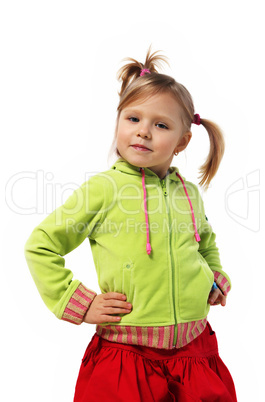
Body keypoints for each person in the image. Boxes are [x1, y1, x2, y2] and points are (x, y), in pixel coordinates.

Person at [24, 46, 237, 401]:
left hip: (194, 350)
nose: (143, 132)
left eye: (161, 125)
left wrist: (214, 275)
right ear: (118, 121)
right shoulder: (104, 189)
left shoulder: (188, 193)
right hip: (125, 354)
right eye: (133, 119)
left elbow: (205, 242)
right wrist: (77, 302)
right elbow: (41, 245)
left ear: (183, 141)